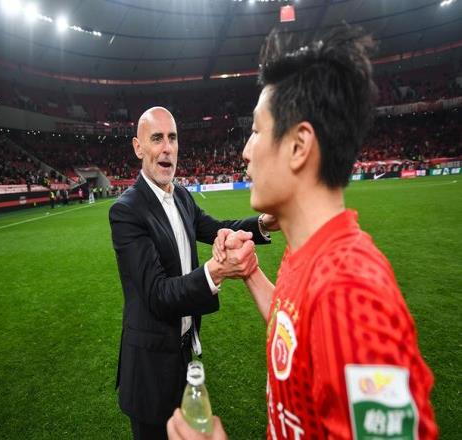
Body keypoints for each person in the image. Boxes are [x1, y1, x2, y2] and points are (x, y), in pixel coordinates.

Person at [167, 25, 438, 439]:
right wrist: (250, 272)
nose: (245, 151)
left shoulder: (350, 296)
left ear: (298, 146)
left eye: (256, 131)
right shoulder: (310, 253)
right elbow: (295, 330)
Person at [109, 106, 277, 440]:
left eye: (172, 138)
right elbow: (158, 294)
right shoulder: (126, 211)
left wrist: (262, 224)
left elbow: (217, 228)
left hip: (182, 353)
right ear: (138, 148)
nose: (167, 147)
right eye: (157, 138)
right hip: (150, 366)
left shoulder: (182, 197)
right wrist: (215, 272)